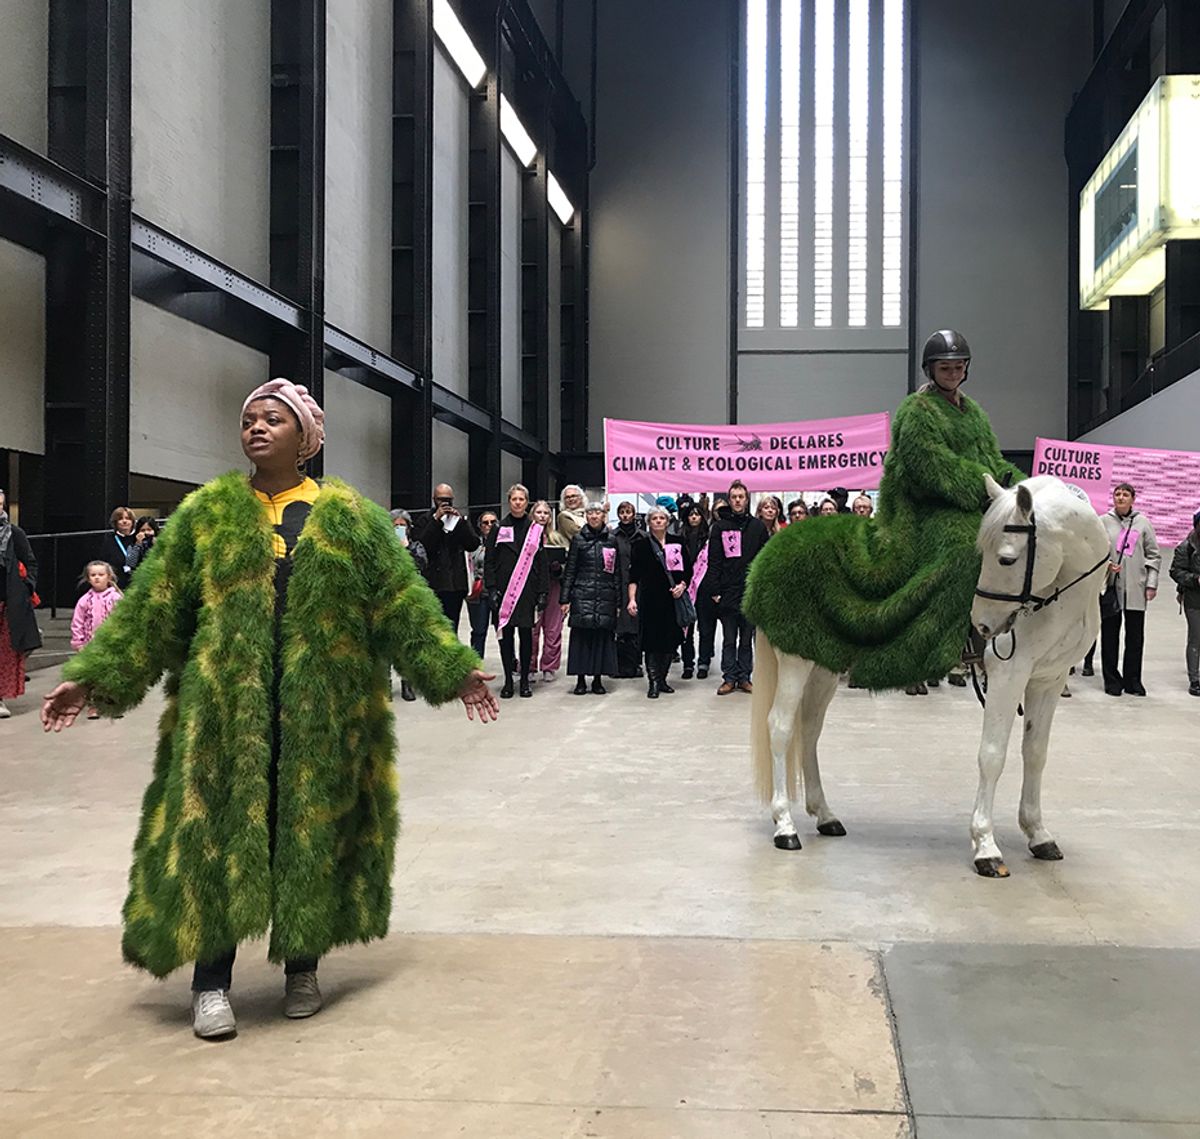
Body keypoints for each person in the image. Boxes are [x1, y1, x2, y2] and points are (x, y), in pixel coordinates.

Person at [41, 378, 498, 1041]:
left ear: (305, 438)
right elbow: (153, 608)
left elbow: (400, 602)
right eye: (250, 418)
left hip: (321, 709)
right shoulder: (209, 514)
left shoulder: (347, 517)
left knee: (305, 832)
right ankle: (210, 983)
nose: (256, 427)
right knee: (220, 836)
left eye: (273, 419)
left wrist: (453, 670)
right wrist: (91, 677)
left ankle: (302, 964)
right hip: (227, 711)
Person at [743, 330, 1026, 690]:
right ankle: (949, 643)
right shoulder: (917, 411)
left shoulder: (974, 415)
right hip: (921, 509)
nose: (952, 372)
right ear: (931, 370)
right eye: (945, 367)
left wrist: (1022, 487)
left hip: (967, 502)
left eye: (958, 366)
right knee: (963, 549)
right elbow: (934, 468)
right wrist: (986, 486)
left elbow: (994, 461)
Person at [484, 483, 549, 698]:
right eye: (514, 499)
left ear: (526, 502)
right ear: (509, 501)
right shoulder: (498, 529)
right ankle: (508, 680)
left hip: (527, 591)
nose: (518, 503)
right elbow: (490, 561)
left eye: (522, 499)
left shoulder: (535, 530)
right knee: (506, 636)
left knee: (526, 636)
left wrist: (542, 592)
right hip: (504, 592)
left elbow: (541, 563)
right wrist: (491, 588)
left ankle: (524, 682)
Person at [1099, 483, 1161, 697]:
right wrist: (1107, 565)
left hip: (1136, 588)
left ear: (1133, 498)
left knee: (1135, 637)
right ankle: (1111, 680)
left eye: (1125, 494)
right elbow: (1096, 551)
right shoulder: (1103, 521)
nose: (1121, 498)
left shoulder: (1143, 523)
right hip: (1111, 588)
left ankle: (1133, 680)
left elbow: (1154, 555)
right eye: (1117, 494)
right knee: (1110, 635)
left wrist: (1151, 584)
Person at [708, 480, 769, 695]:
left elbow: (764, 560)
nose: (737, 500)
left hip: (749, 591)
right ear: (729, 499)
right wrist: (714, 590)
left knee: (746, 639)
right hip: (727, 591)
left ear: (746, 499)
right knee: (729, 639)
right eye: (733, 497)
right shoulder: (720, 527)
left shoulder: (758, 527)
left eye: (741, 496)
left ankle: (744, 677)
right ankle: (729, 678)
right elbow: (713, 560)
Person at [628, 505, 691, 698]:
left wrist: (682, 585)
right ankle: (653, 681)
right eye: (654, 518)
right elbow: (633, 575)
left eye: (661, 518)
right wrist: (632, 599)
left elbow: (688, 569)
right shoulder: (641, 544)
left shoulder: (677, 542)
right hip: (650, 598)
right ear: (649, 522)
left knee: (670, 640)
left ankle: (663, 679)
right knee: (651, 641)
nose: (658, 521)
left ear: (667, 521)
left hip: (673, 598)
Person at [560, 501, 620, 693]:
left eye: (598, 513)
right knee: (581, 639)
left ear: (603, 516)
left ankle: (597, 679)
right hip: (581, 594)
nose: (594, 516)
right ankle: (580, 679)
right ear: (586, 516)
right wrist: (564, 598)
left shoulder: (611, 540)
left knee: (601, 638)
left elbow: (616, 571)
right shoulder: (578, 539)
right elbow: (570, 570)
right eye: (590, 513)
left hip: (605, 594)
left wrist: (618, 599)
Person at [413, 482, 480, 635]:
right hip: (433, 583)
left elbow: (473, 544)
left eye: (448, 500)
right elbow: (422, 546)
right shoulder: (425, 520)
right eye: (440, 499)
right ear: (433, 499)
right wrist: (436, 521)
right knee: (433, 627)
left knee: (451, 627)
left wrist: (462, 524)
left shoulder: (459, 520)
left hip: (455, 584)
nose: (445, 503)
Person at [0, 487, 41, 719]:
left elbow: (30, 562)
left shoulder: (15, 534)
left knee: (5, 652)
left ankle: (0, 697)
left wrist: (27, 587)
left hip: (9, 600)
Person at [71, 561, 122, 720]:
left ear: (109, 577)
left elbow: (124, 619)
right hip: (90, 645)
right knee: (93, 676)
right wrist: (78, 643)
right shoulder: (84, 601)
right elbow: (77, 622)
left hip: (111, 644)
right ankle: (93, 705)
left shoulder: (116, 598)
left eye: (101, 575)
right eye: (93, 575)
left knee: (112, 674)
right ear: (88, 578)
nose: (97, 578)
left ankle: (113, 705)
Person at [390, 509, 429, 702]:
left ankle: (408, 684)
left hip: (409, 600)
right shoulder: (383, 548)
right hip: (387, 601)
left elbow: (420, 565)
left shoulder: (416, 546)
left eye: (402, 525)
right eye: (395, 526)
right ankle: (385, 685)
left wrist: (405, 548)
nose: (398, 528)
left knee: (407, 645)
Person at [530, 499, 569, 682]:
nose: (543, 516)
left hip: (554, 585)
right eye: (539, 512)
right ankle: (529, 665)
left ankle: (549, 666)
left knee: (553, 629)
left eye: (546, 513)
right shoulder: (526, 536)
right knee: (531, 628)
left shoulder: (557, 537)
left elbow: (567, 564)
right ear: (533, 515)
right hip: (532, 587)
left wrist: (557, 568)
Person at [612, 501, 645, 678]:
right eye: (622, 512)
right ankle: (619, 664)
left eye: (628, 512)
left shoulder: (642, 537)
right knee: (620, 627)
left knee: (636, 625)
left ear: (633, 514)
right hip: (619, 583)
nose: (625, 515)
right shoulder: (613, 536)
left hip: (638, 585)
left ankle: (636, 664)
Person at [1169, 508, 1200, 696]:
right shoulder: (1186, 547)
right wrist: (1195, 579)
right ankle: (1194, 680)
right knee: (1196, 638)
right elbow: (1175, 571)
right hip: (1194, 600)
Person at [679, 502, 711, 680]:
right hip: (686, 587)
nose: (693, 517)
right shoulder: (679, 537)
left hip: (704, 588)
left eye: (697, 514)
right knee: (686, 628)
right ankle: (688, 663)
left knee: (705, 628)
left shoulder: (709, 539)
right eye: (690, 515)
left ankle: (703, 662)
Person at [467, 510, 498, 658]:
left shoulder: (503, 544)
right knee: (479, 631)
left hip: (498, 592)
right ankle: (476, 664)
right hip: (478, 592)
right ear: (480, 526)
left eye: (493, 522)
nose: (489, 525)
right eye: (486, 523)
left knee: (503, 631)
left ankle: (510, 664)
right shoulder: (473, 544)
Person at [100, 507, 137, 590]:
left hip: (137, 584)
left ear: (132, 522)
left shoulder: (138, 539)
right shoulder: (109, 541)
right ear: (115, 522)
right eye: (120, 519)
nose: (124, 521)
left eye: (128, 518)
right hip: (117, 586)